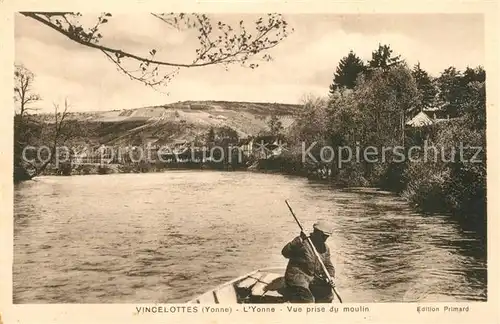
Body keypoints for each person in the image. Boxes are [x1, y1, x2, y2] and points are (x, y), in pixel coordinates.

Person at [281, 220, 336, 303]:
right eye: (323, 236)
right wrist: (298, 240)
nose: (325, 239)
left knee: (327, 294)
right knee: (307, 299)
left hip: (313, 278)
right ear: (316, 232)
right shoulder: (302, 242)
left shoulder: (325, 248)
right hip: (297, 277)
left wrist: (331, 277)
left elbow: (328, 265)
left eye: (327, 237)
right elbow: (285, 252)